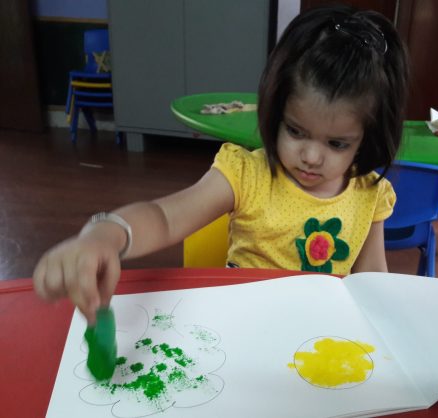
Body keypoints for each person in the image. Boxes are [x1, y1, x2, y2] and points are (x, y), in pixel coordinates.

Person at [33, 4, 409, 324]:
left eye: (337, 143)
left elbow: (373, 281)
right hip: (239, 329)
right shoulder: (246, 174)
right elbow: (165, 218)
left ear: (366, 137)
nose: (311, 156)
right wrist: (106, 234)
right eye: (295, 131)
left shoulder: (370, 195)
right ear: (276, 111)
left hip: (317, 341)